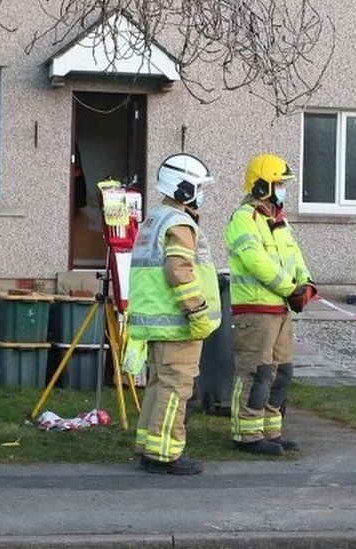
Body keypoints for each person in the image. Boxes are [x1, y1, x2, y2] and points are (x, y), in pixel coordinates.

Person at [129, 153, 220, 475]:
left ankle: (150, 447)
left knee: (158, 386)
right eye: (199, 188)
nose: (201, 194)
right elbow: (178, 271)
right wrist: (197, 310)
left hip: (158, 322)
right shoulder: (179, 223)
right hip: (178, 323)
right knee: (175, 389)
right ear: (184, 188)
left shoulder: (155, 219)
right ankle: (165, 453)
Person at [225, 153, 315, 456]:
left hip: (281, 309)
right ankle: (247, 434)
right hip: (255, 310)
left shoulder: (278, 220)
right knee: (256, 372)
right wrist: (290, 288)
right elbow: (256, 261)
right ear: (262, 185)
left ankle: (271, 430)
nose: (283, 189)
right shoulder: (244, 219)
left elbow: (295, 256)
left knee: (281, 372)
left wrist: (306, 283)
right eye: (279, 184)